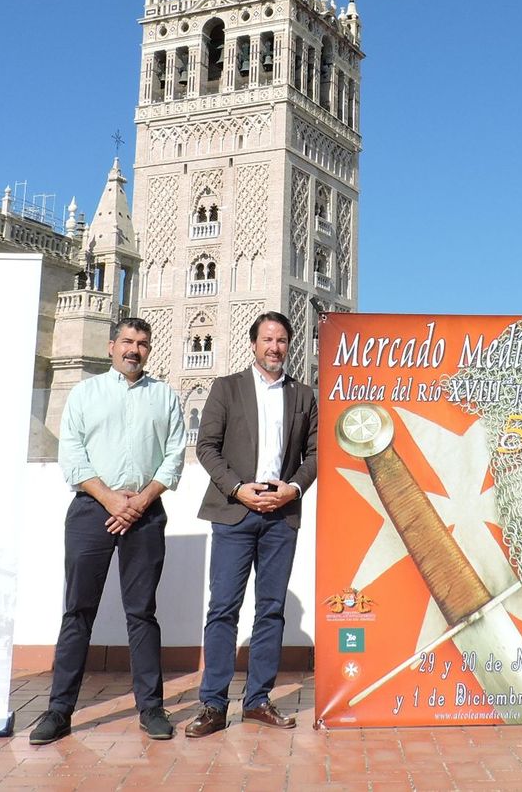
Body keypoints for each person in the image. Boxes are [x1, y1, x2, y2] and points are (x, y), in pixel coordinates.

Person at [28, 317, 186, 744]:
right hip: (90, 511)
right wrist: (111, 499)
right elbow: (73, 456)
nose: (135, 350)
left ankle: (151, 708)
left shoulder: (165, 397)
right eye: (128, 342)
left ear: (149, 350)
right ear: (111, 346)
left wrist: (139, 500)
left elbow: (174, 456)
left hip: (146, 512)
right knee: (78, 612)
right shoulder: (85, 394)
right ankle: (59, 711)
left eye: (143, 344)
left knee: (142, 612)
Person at [185, 311, 319, 738]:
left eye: (282, 340)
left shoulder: (304, 396)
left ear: (288, 345)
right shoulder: (227, 388)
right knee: (223, 609)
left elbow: (315, 454)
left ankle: (259, 701)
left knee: (271, 611)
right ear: (254, 344)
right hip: (234, 513)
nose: (275, 347)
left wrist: (293, 489)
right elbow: (206, 447)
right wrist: (238, 488)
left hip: (280, 517)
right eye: (267, 339)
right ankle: (213, 705)